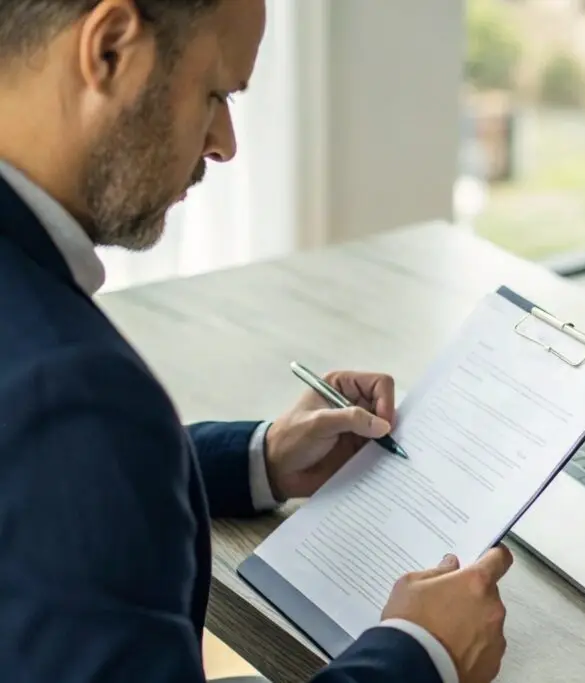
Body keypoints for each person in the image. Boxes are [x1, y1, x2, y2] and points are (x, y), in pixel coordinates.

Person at [0, 1, 513, 682]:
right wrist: (420, 654)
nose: (224, 142)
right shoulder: (75, 397)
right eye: (214, 94)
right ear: (110, 49)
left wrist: (257, 458)